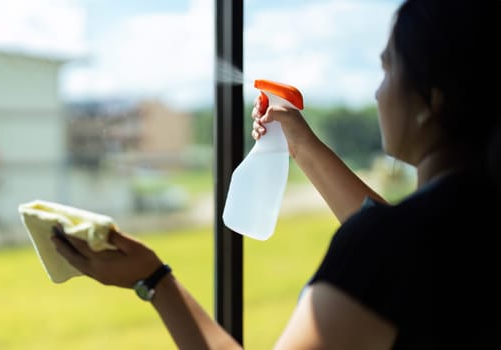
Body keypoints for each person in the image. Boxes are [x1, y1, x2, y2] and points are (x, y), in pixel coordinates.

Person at [51, 0, 501, 348]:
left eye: (387, 69)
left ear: (433, 100)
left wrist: (153, 278)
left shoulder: (388, 247)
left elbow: (393, 246)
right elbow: (404, 243)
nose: (378, 91)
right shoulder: (472, 222)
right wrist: (301, 144)